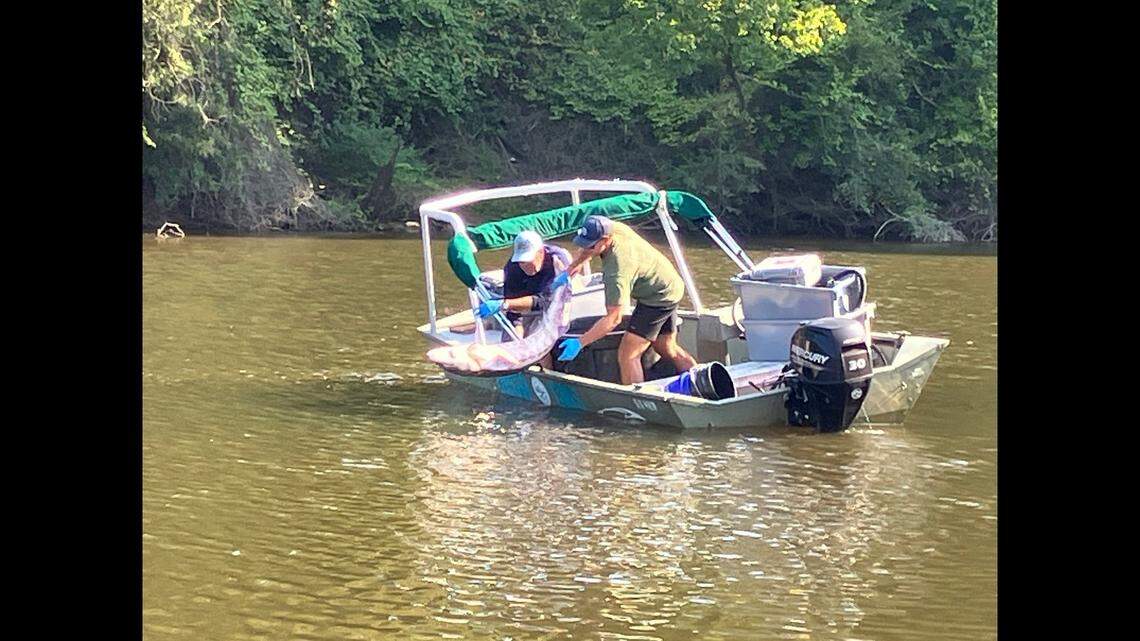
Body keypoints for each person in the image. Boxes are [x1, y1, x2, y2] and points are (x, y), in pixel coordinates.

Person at [554, 215, 697, 384]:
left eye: (591, 245)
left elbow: (614, 318)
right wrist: (570, 270)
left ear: (606, 240)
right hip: (670, 283)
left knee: (628, 354)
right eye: (583, 242)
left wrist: (580, 342)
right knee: (665, 347)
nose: (587, 248)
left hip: (657, 298)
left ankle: (639, 402)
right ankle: (702, 378)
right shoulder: (614, 228)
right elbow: (589, 248)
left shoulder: (617, 270)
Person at [475, 230, 571, 366]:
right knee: (511, 345)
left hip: (557, 300)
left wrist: (505, 304)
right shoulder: (513, 268)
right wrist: (516, 341)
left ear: (540, 252)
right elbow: (515, 314)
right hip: (527, 302)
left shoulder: (557, 261)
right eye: (521, 261)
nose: (524, 265)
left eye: (528, 260)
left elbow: (545, 301)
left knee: (541, 343)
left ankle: (548, 373)